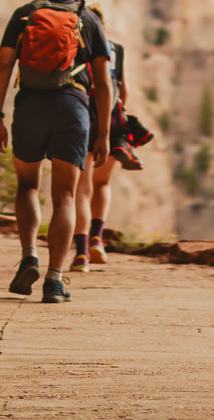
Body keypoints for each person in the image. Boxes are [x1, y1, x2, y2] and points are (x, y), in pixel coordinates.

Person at [0, 0, 114, 303]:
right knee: (65, 196)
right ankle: (55, 280)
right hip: (72, 109)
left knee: (28, 185)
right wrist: (104, 133)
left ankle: (29, 255)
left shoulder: (24, 13)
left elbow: (4, 63)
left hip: (30, 106)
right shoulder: (89, 19)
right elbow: (104, 82)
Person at [77, 31, 132, 269]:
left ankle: (81, 253)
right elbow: (123, 92)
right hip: (110, 120)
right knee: (102, 183)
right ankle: (97, 239)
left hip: (80, 116)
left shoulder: (76, 46)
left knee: (81, 189)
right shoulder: (116, 50)